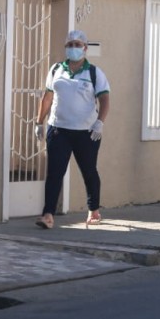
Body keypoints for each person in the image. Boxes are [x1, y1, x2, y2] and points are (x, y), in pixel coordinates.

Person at [33, 30, 110, 229]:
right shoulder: (56, 69)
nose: (73, 48)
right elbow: (48, 97)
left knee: (88, 170)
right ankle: (47, 214)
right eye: (70, 45)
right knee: (55, 173)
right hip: (59, 129)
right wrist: (39, 122)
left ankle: (93, 209)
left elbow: (104, 99)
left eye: (77, 44)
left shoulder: (94, 73)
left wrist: (99, 122)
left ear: (85, 48)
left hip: (86, 131)